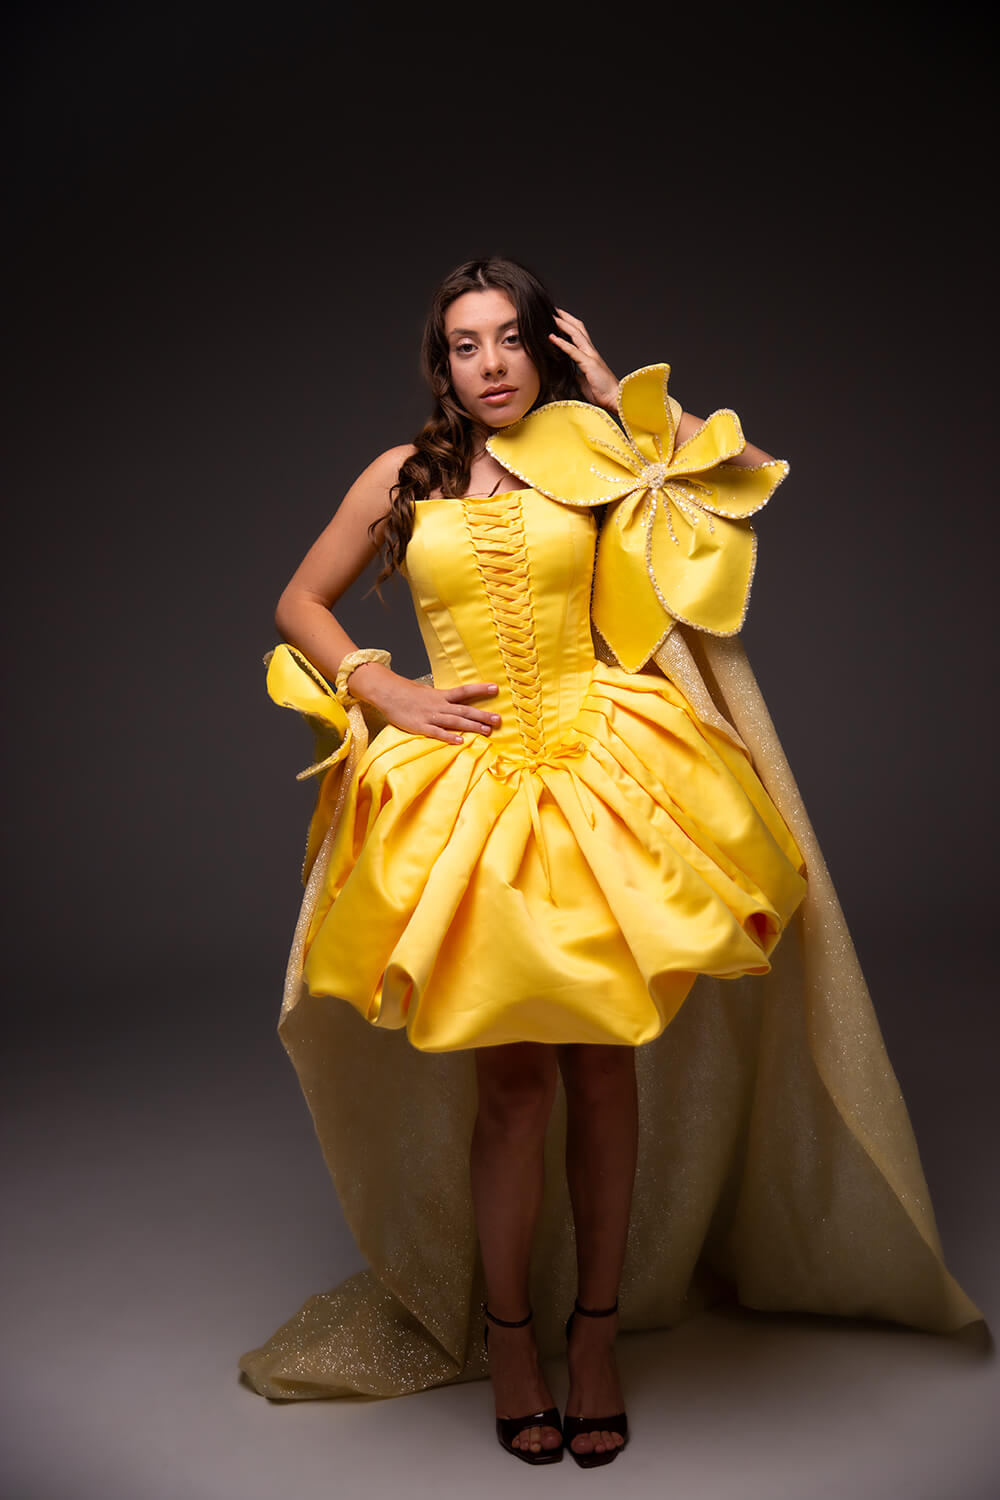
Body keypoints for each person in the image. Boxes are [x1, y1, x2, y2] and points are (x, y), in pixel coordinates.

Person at [240, 257, 981, 1464]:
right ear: (441, 364)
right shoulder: (400, 474)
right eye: (465, 344)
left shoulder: (589, 448)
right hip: (470, 791)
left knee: (599, 1069)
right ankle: (512, 1340)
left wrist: (619, 393)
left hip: (602, 772)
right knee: (510, 1087)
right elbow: (299, 602)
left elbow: (739, 481)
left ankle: (593, 1338)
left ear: (542, 346)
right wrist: (380, 686)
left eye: (510, 338)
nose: (490, 364)